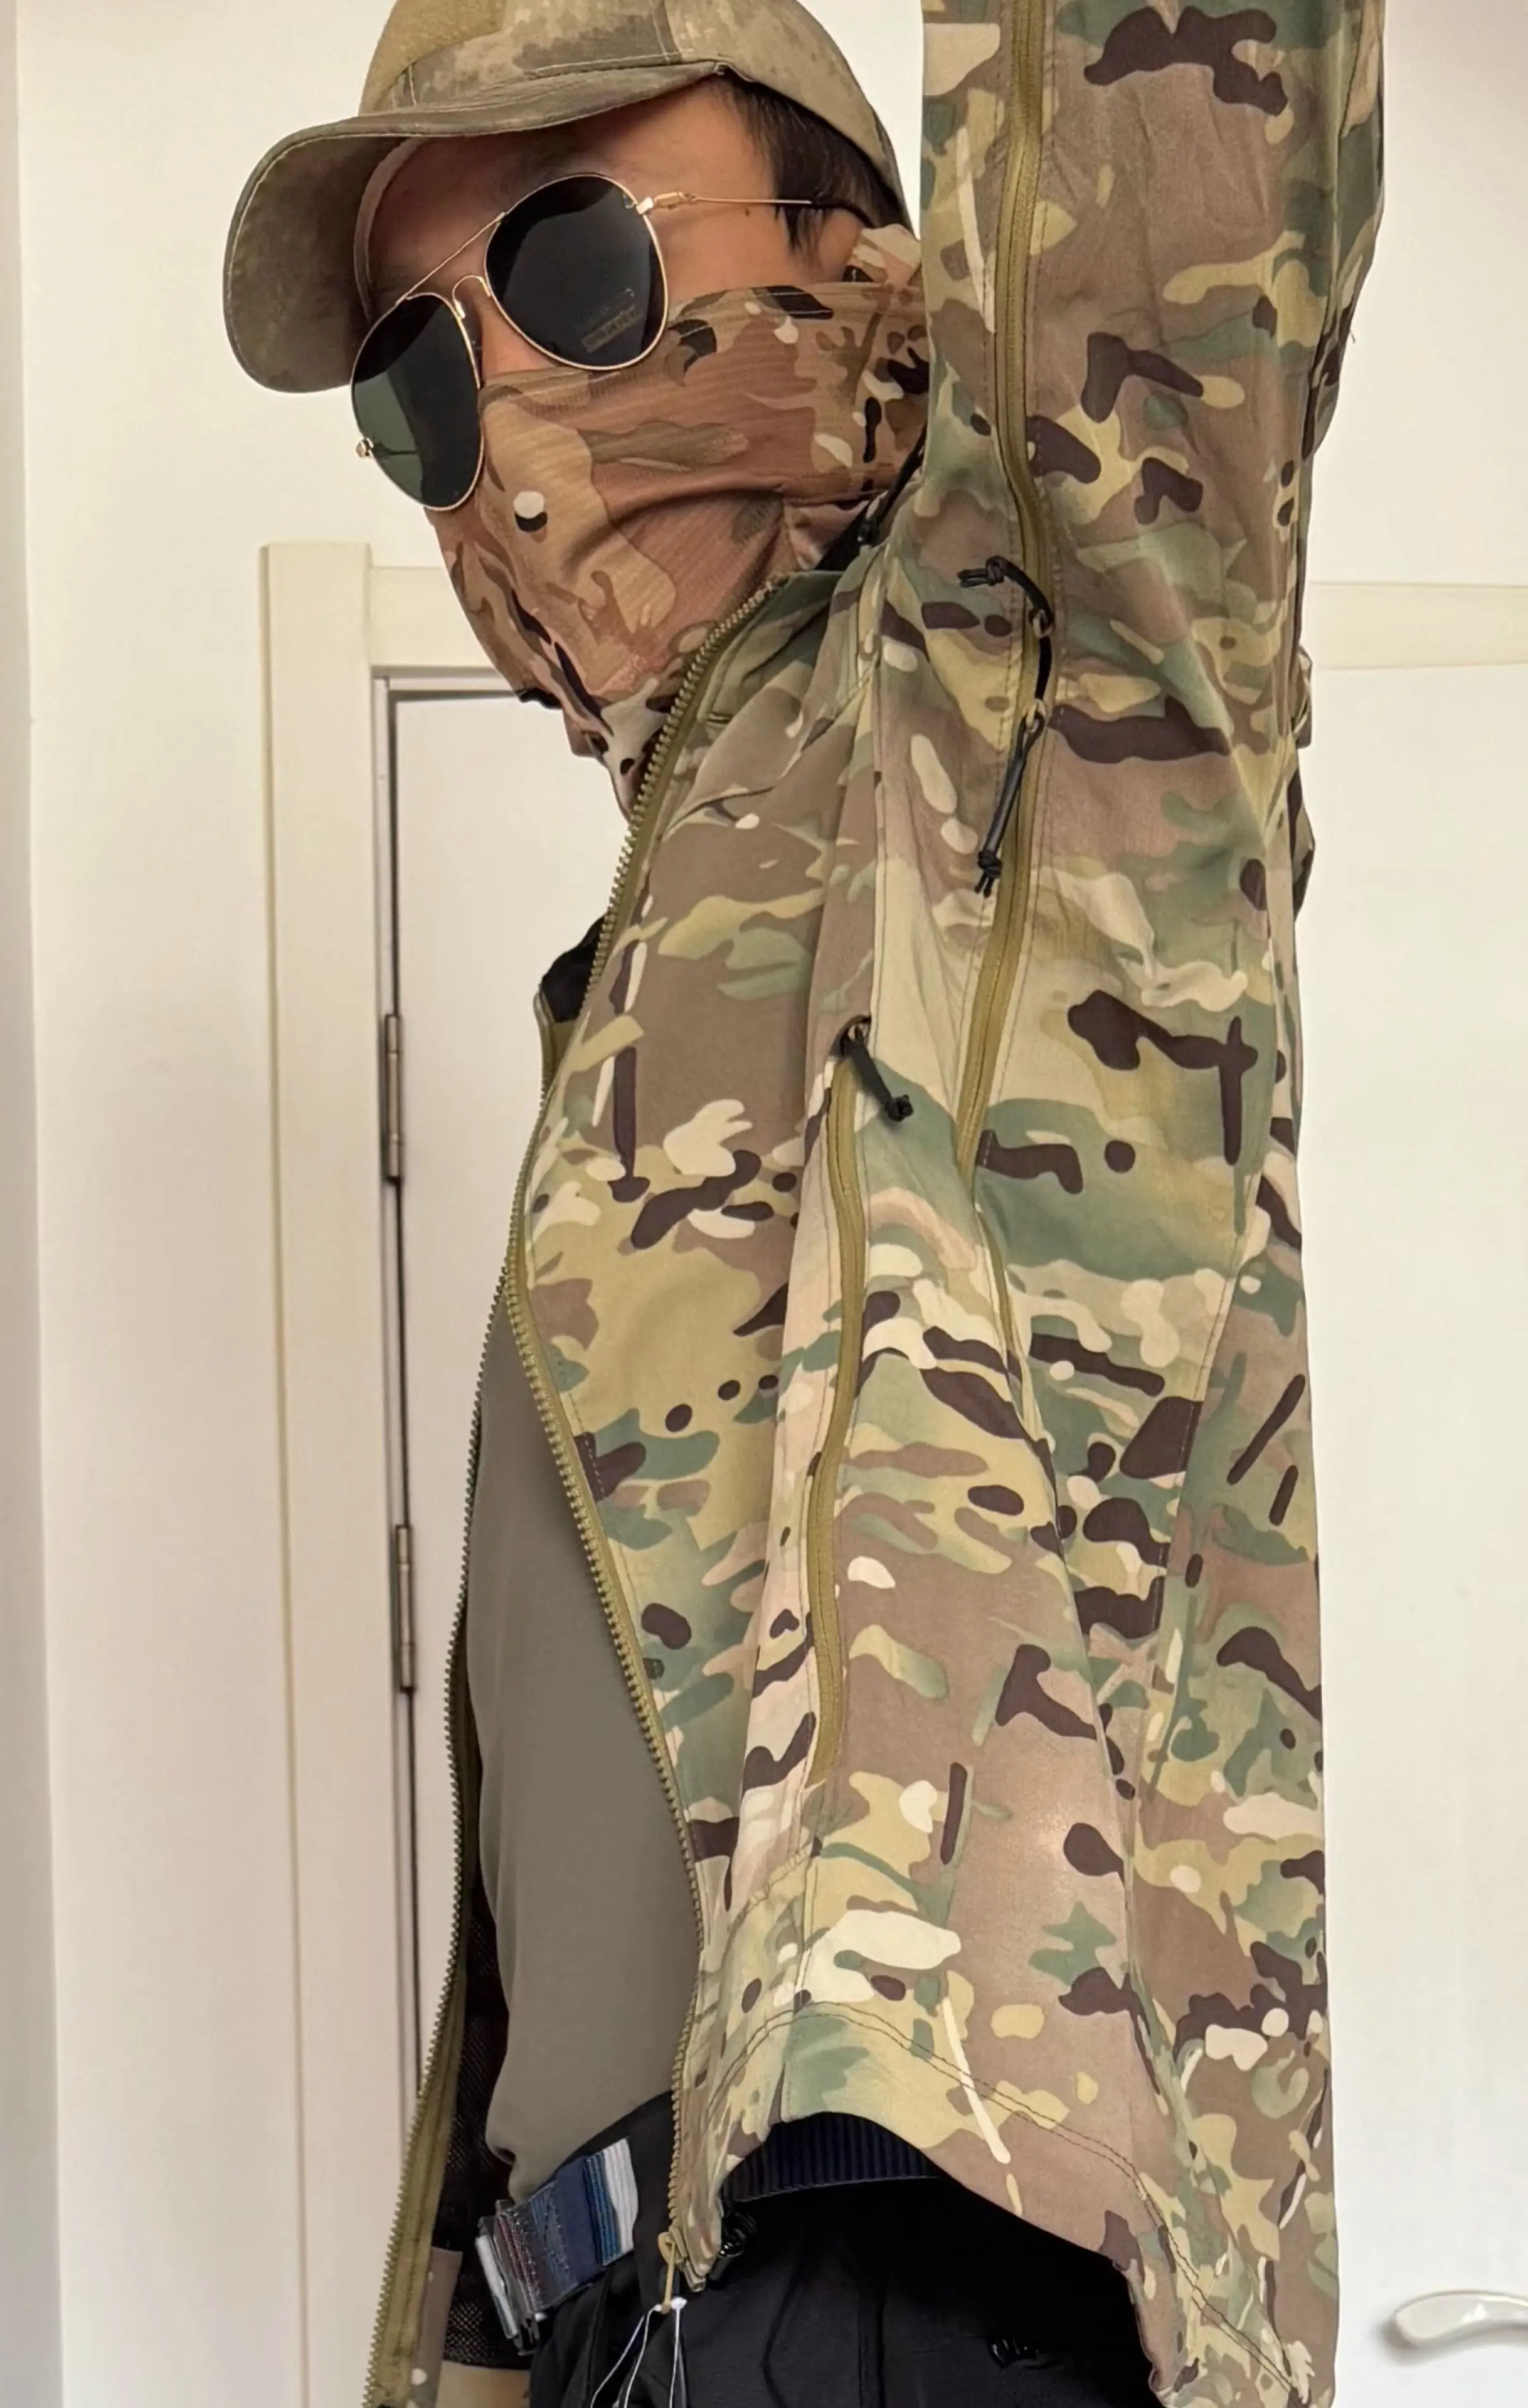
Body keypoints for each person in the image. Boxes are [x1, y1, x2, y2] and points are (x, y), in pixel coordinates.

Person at [223, 3, 1383, 2402]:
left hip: (892, 2273)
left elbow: (1160, 157)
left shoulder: (1029, 690)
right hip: (636, 2316)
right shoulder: (647, 966)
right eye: (416, 383)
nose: (496, 416)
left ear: (853, 252)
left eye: (567, 261)